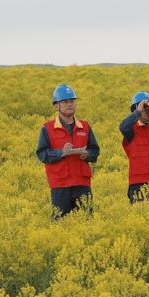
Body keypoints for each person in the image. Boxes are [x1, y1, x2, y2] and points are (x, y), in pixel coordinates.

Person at [36, 84, 100, 218]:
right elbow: (42, 154)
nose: (69, 104)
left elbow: (95, 150)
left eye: (72, 101)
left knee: (86, 222)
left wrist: (87, 154)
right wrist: (61, 153)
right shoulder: (47, 128)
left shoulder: (85, 126)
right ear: (57, 105)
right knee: (60, 224)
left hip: (82, 184)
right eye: (65, 102)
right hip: (60, 185)